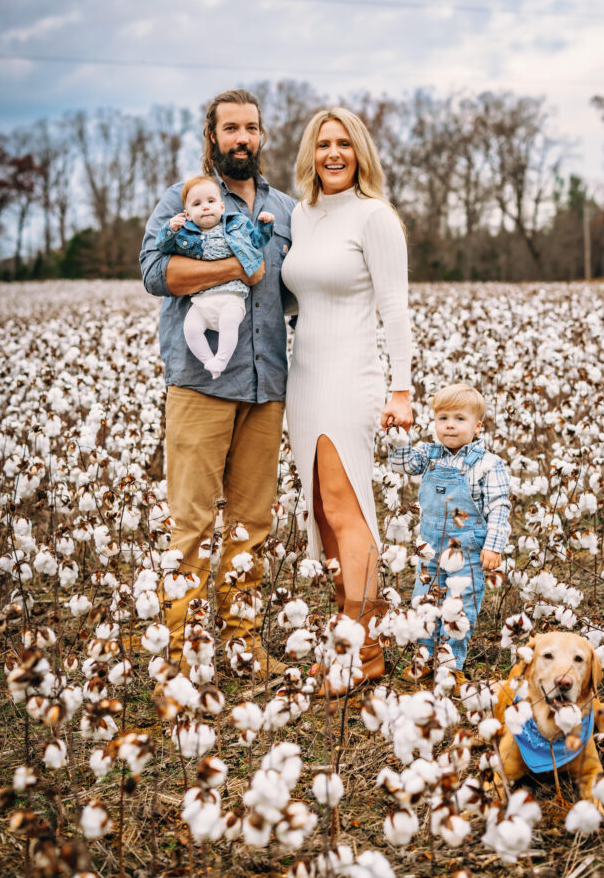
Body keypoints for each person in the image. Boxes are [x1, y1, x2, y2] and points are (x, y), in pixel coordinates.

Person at [140, 89, 295, 680]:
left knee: (253, 524)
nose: (242, 139)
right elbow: (157, 273)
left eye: (251, 128)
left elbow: (294, 291)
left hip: (266, 384)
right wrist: (235, 265)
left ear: (261, 136)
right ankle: (178, 653)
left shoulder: (284, 209)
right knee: (192, 523)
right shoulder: (184, 197)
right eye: (231, 128)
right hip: (201, 381)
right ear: (213, 137)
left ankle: (242, 644)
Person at [281, 107, 413, 696]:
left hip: (350, 375)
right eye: (323, 144)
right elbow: (294, 297)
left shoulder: (374, 217)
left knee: (346, 509)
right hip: (304, 377)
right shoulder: (301, 217)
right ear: (310, 154)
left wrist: (403, 388)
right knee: (326, 522)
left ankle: (355, 650)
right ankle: (362, 644)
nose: (333, 153)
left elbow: (395, 307)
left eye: (344, 144)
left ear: (360, 152)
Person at [387, 382, 511, 685]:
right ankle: (425, 658)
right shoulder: (428, 455)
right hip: (430, 547)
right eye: (442, 418)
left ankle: (450, 663)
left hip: (467, 549)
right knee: (424, 599)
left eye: (459, 418)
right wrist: (397, 436)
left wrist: (493, 547)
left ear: (477, 426)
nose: (450, 425)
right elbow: (402, 463)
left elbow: (499, 507)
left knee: (460, 604)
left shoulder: (488, 464)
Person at [156, 174, 275, 379]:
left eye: (211, 201)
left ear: (222, 207)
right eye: (197, 204)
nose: (205, 207)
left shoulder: (236, 226)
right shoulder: (185, 236)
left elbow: (257, 241)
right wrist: (170, 230)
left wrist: (264, 226)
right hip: (202, 300)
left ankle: (222, 358)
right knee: (191, 328)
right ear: (188, 214)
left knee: (229, 322)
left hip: (231, 297)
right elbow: (164, 248)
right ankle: (209, 362)